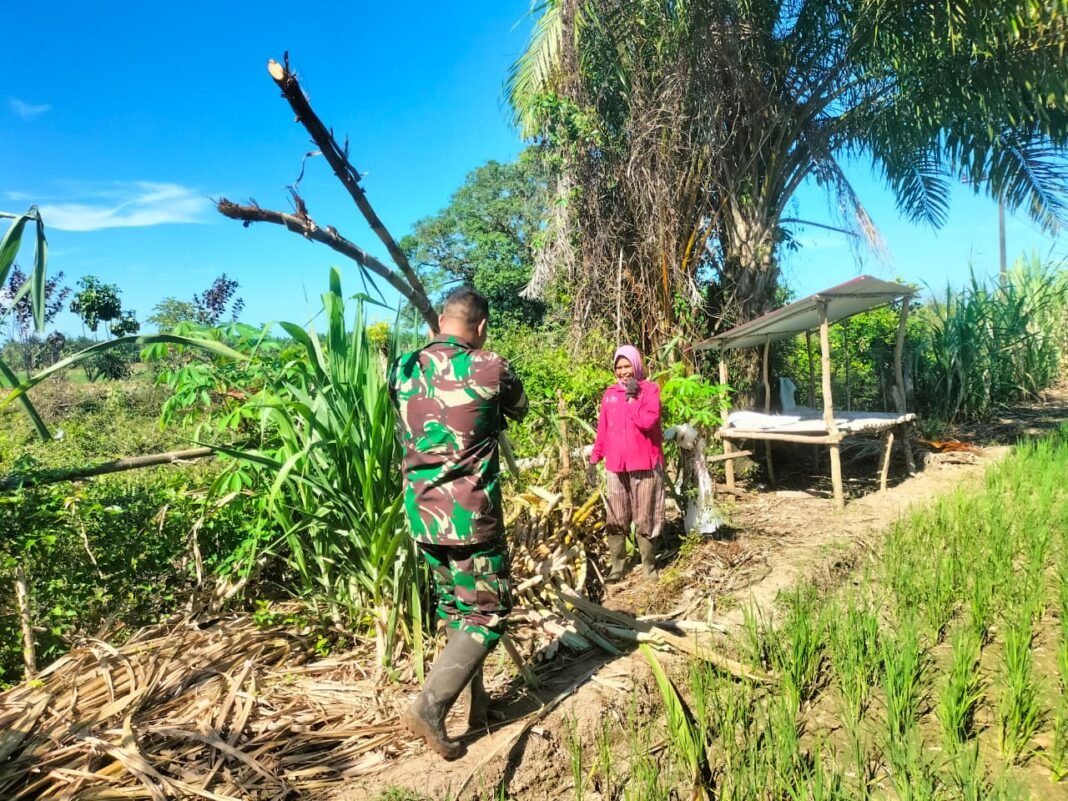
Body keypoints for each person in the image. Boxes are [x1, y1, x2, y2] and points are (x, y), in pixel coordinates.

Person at [388, 286, 528, 761]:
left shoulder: (402, 367)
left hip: (422, 516)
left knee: (455, 609)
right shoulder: (491, 366)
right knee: (487, 612)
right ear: (481, 326)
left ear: (440, 322)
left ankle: (476, 707)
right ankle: (428, 707)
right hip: (470, 518)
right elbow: (519, 408)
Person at [587, 345, 665, 582]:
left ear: (636, 365)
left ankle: (648, 567)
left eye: (627, 366)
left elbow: (648, 422)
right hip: (616, 466)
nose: (623, 372)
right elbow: (603, 430)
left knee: (645, 516)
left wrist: (632, 399)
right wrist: (594, 461)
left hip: (645, 464)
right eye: (618, 367)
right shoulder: (610, 394)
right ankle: (617, 567)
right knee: (616, 516)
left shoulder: (649, 390)